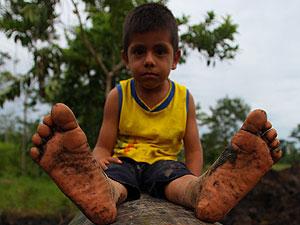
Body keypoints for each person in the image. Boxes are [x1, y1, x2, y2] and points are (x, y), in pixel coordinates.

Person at [30, 3, 282, 225]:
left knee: (177, 181)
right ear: (126, 58)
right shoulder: (118, 96)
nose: (149, 60)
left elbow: (193, 149)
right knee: (115, 181)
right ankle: (103, 194)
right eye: (139, 51)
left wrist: (194, 177)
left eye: (160, 51)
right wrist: (96, 162)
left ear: (175, 58)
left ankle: (199, 192)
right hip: (125, 163)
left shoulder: (185, 99)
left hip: (165, 167)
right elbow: (103, 147)